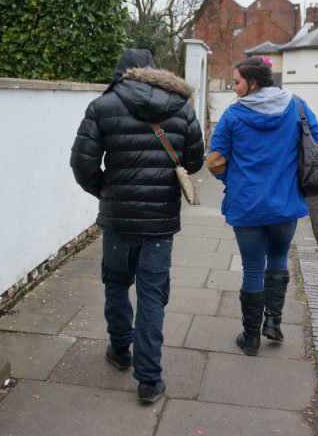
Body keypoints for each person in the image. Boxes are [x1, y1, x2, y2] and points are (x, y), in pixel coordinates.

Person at [70, 48, 204, 402]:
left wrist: (107, 191)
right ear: (153, 71)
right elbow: (193, 161)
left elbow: (82, 164)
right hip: (159, 224)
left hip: (117, 222)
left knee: (116, 284)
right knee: (152, 297)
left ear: (121, 73)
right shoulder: (183, 107)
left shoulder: (103, 106)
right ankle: (148, 380)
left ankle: (119, 350)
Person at [206, 56, 318, 356]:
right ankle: (273, 322)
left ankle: (250, 338)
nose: (233, 88)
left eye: (236, 82)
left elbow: (215, 161)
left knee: (252, 268)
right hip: (285, 204)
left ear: (253, 82)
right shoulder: (296, 105)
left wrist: (232, 179)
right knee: (278, 259)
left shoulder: (233, 116)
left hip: (246, 205)